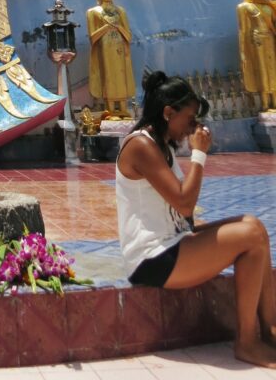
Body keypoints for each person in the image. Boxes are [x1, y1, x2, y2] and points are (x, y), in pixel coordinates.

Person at [117, 70, 276, 369]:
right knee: (250, 237)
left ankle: (270, 331)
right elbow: (185, 203)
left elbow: (180, 212)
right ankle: (247, 341)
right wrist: (199, 155)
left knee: (255, 226)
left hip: (173, 243)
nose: (194, 127)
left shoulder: (159, 144)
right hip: (152, 259)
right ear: (168, 112)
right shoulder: (140, 146)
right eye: (189, 119)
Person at [86, 0, 136, 117]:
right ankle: (109, 108)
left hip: (120, 50)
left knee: (121, 77)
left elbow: (128, 36)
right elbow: (92, 38)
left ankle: (123, 108)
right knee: (108, 77)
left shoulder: (120, 11)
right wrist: (106, 27)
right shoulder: (93, 12)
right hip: (104, 51)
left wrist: (118, 27)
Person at [237, 0, 276, 112]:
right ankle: (266, 103)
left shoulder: (268, 6)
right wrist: (242, 53)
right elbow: (242, 31)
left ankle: (275, 101)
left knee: (274, 69)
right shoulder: (244, 7)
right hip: (256, 41)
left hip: (270, 39)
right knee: (262, 69)